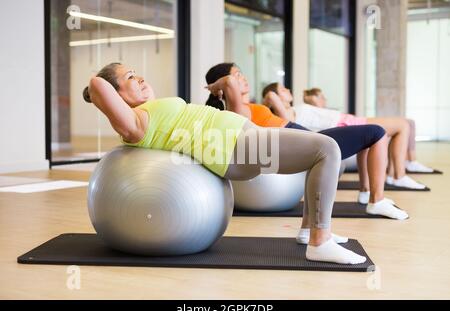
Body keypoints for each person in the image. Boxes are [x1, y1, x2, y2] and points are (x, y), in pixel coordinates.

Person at [83, 62, 366, 265]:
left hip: (244, 137)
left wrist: (130, 80)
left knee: (317, 153)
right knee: (327, 149)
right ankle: (320, 242)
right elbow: (96, 85)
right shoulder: (135, 123)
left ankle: (309, 231)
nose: (141, 78)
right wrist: (100, 81)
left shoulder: (149, 110)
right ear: (116, 94)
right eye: (131, 77)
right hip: (235, 148)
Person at [205, 63, 408, 223]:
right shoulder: (237, 109)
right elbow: (229, 82)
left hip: (304, 136)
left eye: (241, 73)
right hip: (299, 141)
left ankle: (366, 195)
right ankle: (377, 200)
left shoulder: (248, 105)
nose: (242, 77)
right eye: (237, 74)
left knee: (368, 137)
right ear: (224, 86)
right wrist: (216, 86)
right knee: (377, 133)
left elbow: (231, 82)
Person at [276, 86, 431, 188]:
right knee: (402, 125)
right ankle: (399, 175)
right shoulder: (289, 112)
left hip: (348, 120)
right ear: (276, 97)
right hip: (344, 125)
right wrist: (271, 96)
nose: (287, 89)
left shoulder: (296, 108)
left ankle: (394, 173)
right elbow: (280, 112)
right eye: (281, 89)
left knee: (405, 124)